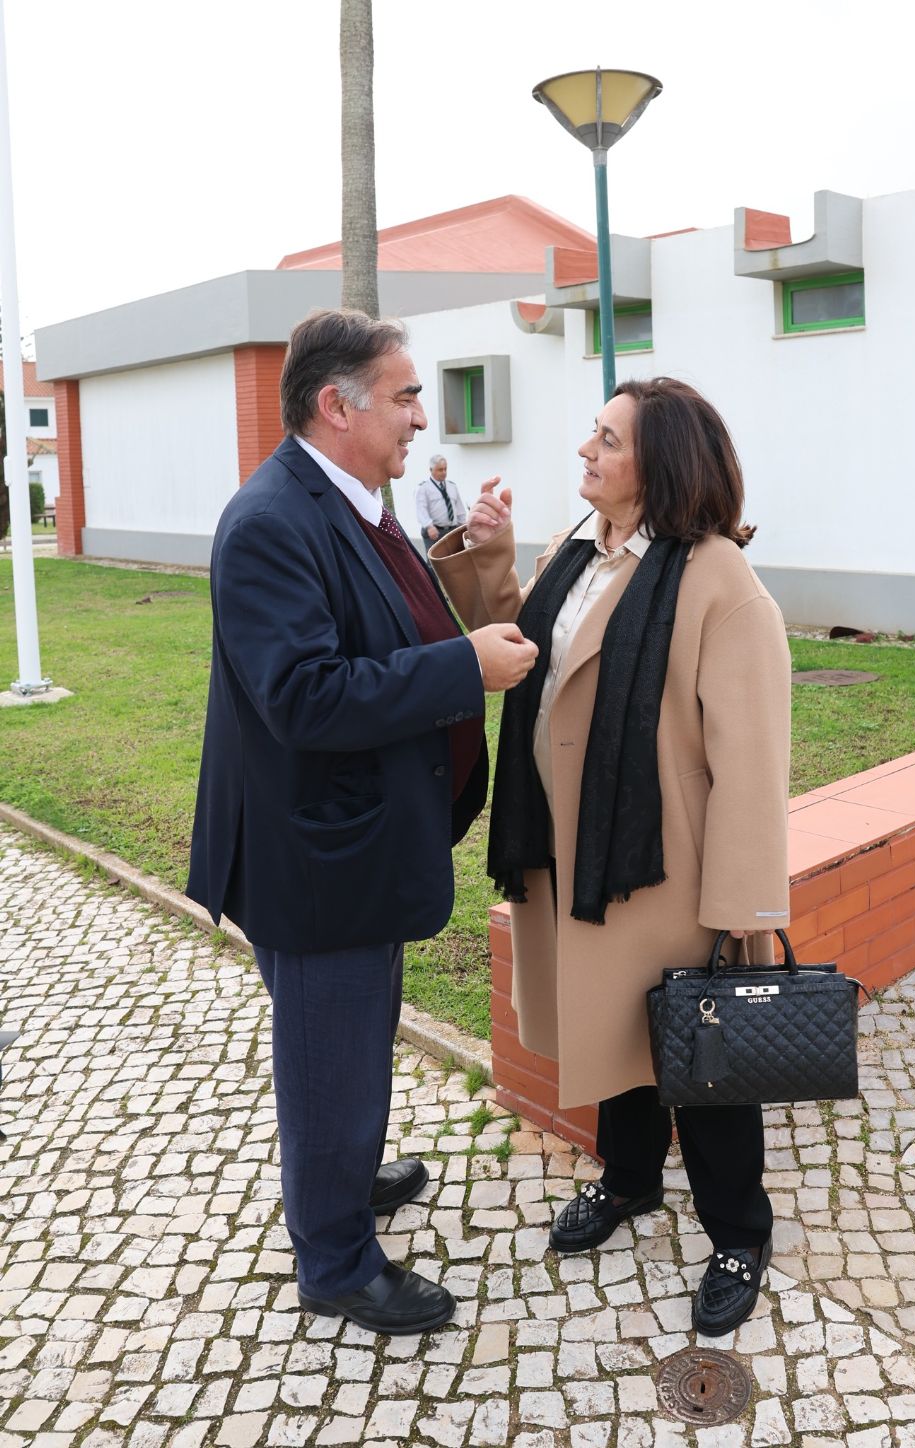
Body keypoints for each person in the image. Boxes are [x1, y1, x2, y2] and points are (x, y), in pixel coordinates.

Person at [186, 308, 537, 1336]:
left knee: (355, 1037)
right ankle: (335, 1259)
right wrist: (463, 666)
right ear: (336, 407)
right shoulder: (269, 522)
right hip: (316, 854)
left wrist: (463, 563)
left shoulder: (347, 502)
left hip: (357, 836)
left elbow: (374, 619)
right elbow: (303, 694)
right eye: (405, 396)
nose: (421, 417)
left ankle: (346, 1169)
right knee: (329, 1053)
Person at [431, 377, 791, 1336]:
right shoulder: (578, 548)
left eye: (608, 439)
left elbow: (751, 761)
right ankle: (629, 1179)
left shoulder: (719, 580)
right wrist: (492, 553)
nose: (585, 451)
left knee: (701, 1061)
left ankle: (737, 1234)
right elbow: (527, 646)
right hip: (573, 851)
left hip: (666, 871)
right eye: (592, 433)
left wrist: (741, 909)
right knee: (614, 1032)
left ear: (659, 464)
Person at [415, 454, 467, 551]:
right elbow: (421, 510)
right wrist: (429, 526)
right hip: (434, 531)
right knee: (434, 560)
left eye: (445, 469)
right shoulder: (423, 488)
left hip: (452, 530)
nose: (444, 472)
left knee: (455, 557)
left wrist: (463, 525)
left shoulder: (452, 486)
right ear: (431, 470)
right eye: (440, 470)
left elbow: (459, 509)